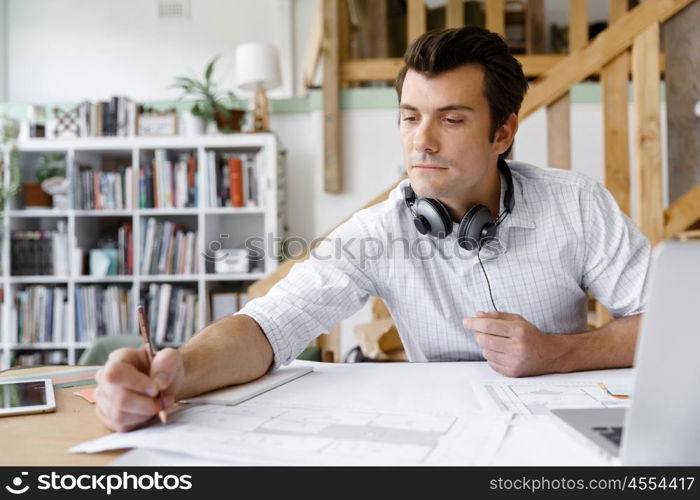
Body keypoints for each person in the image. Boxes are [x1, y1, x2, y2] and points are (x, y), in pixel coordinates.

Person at [95, 27, 650, 431]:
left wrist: (556, 353)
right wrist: (175, 372)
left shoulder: (575, 204)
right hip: (449, 437)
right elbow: (268, 326)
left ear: (503, 133)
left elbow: (674, 325)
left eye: (451, 119)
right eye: (410, 116)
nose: (421, 141)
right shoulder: (377, 230)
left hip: (560, 434)